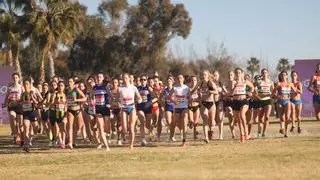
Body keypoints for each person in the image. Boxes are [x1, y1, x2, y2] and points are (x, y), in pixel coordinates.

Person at [119, 73, 142, 149]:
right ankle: (124, 136)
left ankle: (131, 144)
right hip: (124, 108)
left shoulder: (133, 87)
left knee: (131, 127)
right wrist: (117, 103)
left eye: (126, 78)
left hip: (132, 107)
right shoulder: (120, 88)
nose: (124, 80)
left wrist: (139, 100)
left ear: (129, 78)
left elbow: (139, 97)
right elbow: (115, 98)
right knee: (125, 129)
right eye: (123, 78)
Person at [232, 68, 254, 143]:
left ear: (242, 73)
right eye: (236, 73)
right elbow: (230, 91)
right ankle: (242, 135)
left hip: (244, 101)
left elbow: (252, 87)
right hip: (235, 101)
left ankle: (246, 131)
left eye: (239, 72)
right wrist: (232, 86)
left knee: (242, 114)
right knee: (238, 120)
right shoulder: (233, 82)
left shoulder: (245, 81)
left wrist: (250, 93)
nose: (238, 74)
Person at [2, 72, 24, 144]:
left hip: (19, 105)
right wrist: (5, 104)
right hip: (11, 105)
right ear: (12, 79)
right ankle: (15, 135)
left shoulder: (21, 87)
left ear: (18, 78)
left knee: (19, 123)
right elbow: (6, 97)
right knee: (12, 117)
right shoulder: (10, 88)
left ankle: (20, 136)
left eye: (16, 77)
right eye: (14, 78)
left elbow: (25, 96)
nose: (15, 79)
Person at [66, 77, 86, 149]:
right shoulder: (66, 90)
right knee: (70, 126)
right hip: (70, 110)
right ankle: (70, 142)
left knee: (80, 125)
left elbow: (84, 98)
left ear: (74, 83)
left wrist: (77, 99)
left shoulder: (76, 89)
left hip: (77, 109)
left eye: (71, 81)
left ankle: (73, 139)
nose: (69, 83)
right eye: (68, 81)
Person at [93, 73, 111, 150]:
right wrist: (92, 105)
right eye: (98, 77)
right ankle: (107, 147)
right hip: (98, 109)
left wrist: (110, 104)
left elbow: (111, 96)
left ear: (103, 78)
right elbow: (91, 97)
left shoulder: (105, 87)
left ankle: (105, 138)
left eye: (100, 77)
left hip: (105, 108)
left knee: (107, 128)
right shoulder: (95, 87)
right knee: (101, 128)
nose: (99, 78)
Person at [20, 77, 39, 152]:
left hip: (32, 113)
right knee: (26, 127)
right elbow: (20, 102)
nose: (25, 85)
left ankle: (30, 137)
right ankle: (26, 145)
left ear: (30, 85)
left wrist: (32, 98)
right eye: (24, 84)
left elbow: (36, 102)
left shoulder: (32, 92)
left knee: (36, 130)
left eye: (27, 84)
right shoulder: (22, 94)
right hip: (26, 114)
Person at [274, 71, 294, 138]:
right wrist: (277, 96)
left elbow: (295, 90)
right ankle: (282, 128)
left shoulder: (290, 84)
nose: (283, 76)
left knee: (287, 118)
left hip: (287, 101)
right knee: (282, 118)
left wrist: (299, 91)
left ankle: (286, 133)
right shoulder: (279, 84)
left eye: (284, 75)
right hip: (280, 101)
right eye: (282, 75)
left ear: (287, 76)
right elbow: (273, 92)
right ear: (280, 76)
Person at [199, 70, 217, 143]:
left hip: (211, 103)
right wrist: (199, 94)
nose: (204, 76)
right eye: (203, 75)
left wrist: (210, 91)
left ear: (208, 75)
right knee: (205, 120)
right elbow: (197, 91)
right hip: (203, 103)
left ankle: (210, 131)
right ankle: (206, 137)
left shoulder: (211, 83)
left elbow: (216, 92)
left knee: (212, 122)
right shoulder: (200, 84)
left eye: (205, 75)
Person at [172, 74, 189, 147]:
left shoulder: (186, 88)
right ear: (176, 79)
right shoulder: (175, 88)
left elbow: (189, 96)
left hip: (184, 107)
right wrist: (174, 101)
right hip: (177, 108)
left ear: (183, 79)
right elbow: (170, 96)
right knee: (177, 123)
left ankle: (184, 140)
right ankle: (172, 136)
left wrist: (190, 98)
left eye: (181, 78)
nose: (179, 79)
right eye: (178, 78)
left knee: (185, 122)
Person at [256, 69, 274, 137]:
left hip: (268, 100)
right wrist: (257, 95)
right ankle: (259, 130)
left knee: (266, 117)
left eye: (265, 72)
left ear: (268, 74)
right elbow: (254, 89)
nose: (264, 74)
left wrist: (272, 94)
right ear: (261, 74)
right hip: (260, 100)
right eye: (263, 73)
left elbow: (273, 91)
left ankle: (264, 133)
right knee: (260, 118)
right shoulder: (259, 81)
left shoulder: (270, 82)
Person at [51, 81, 68, 148]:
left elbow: (66, 104)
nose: (60, 87)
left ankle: (63, 142)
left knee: (63, 127)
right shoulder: (55, 94)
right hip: (56, 113)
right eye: (59, 86)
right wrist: (55, 101)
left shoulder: (65, 95)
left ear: (64, 87)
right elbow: (51, 103)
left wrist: (66, 110)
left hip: (63, 113)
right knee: (57, 128)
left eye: (62, 86)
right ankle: (60, 140)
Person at [161, 76, 176, 141]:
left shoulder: (175, 89)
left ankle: (172, 136)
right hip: (168, 107)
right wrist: (162, 103)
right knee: (169, 122)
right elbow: (160, 97)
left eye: (170, 81)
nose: (168, 82)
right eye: (167, 81)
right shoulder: (165, 90)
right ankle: (171, 135)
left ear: (172, 82)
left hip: (175, 107)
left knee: (173, 123)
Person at [223, 71, 236, 139]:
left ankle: (235, 119)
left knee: (234, 119)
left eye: (231, 75)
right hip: (228, 102)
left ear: (233, 76)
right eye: (229, 75)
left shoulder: (236, 83)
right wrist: (225, 93)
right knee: (230, 119)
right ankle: (233, 134)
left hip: (235, 101)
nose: (230, 76)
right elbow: (223, 92)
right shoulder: (226, 84)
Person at [213, 71, 224, 140]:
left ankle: (221, 135)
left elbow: (224, 92)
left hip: (219, 101)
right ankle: (212, 134)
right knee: (213, 119)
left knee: (220, 118)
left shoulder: (221, 83)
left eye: (216, 75)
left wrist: (221, 91)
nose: (215, 76)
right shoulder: (210, 83)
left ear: (218, 76)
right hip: (212, 102)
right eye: (214, 75)